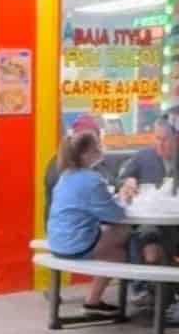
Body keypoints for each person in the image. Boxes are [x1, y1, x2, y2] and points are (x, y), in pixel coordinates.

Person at [46, 131, 135, 312]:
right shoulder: (92, 180)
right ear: (85, 155)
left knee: (114, 246)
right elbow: (116, 215)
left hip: (56, 242)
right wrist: (124, 197)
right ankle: (93, 301)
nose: (101, 150)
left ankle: (93, 301)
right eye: (97, 148)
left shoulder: (66, 176)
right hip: (75, 246)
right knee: (121, 238)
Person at [119, 117, 179, 280]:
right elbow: (120, 179)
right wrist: (128, 181)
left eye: (165, 140)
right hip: (152, 225)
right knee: (153, 254)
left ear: (178, 140)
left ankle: (172, 279)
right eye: (157, 138)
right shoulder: (143, 157)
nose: (160, 144)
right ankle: (167, 284)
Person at [43, 114, 106, 226]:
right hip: (65, 227)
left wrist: (124, 184)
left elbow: (109, 179)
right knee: (120, 231)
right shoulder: (58, 165)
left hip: (84, 221)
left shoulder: (91, 161)